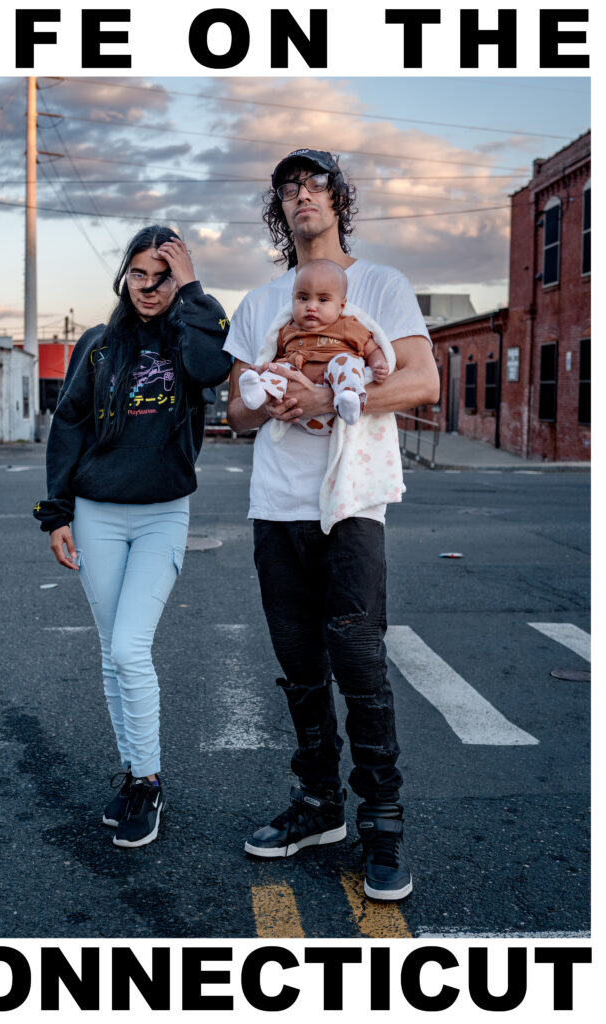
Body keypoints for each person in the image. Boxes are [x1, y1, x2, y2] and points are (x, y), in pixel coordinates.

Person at [224, 149, 439, 900]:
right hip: (275, 502)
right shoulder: (259, 302)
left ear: (338, 200)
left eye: (314, 184)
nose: (300, 196)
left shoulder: (380, 285)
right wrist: (272, 395)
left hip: (348, 500)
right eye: (287, 188)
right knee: (298, 663)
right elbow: (234, 410)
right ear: (278, 211)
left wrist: (327, 401)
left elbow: (421, 379)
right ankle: (318, 806)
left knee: (357, 656)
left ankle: (381, 823)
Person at [33, 225, 231, 849]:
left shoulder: (192, 333)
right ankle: (134, 774)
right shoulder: (97, 345)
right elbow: (68, 426)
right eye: (139, 275)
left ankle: (148, 780)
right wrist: (55, 512)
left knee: (128, 649)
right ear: (125, 276)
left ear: (180, 281)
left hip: (162, 515)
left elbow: (211, 371)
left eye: (163, 276)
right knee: (110, 651)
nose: (149, 288)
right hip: (95, 512)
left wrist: (193, 289)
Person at [238, 259, 389, 426]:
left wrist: (379, 364)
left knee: (346, 362)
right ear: (293, 299)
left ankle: (349, 400)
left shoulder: (347, 325)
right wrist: (266, 370)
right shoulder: (287, 329)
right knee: (280, 369)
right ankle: (259, 393)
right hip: (297, 398)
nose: (311, 306)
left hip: (332, 383)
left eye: (323, 300)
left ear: (341, 305)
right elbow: (277, 357)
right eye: (303, 298)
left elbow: (372, 349)